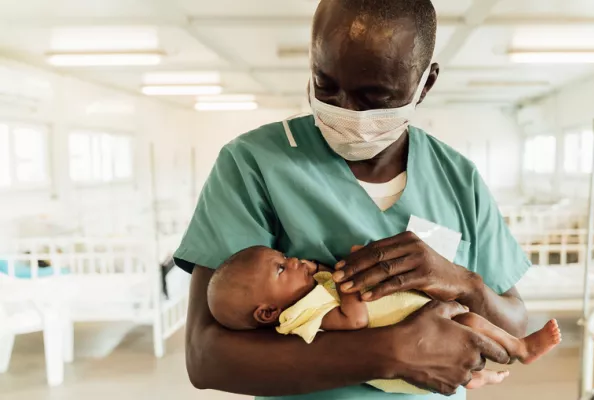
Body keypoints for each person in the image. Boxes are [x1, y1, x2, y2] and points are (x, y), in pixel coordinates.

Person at [174, 0, 534, 398]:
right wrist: (393, 352)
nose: (344, 111)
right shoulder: (253, 164)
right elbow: (206, 357)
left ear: (425, 84)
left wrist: (463, 283)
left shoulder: (457, 178)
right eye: (325, 85)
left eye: (374, 96)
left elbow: (514, 328)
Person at [205, 246, 561, 394]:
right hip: (402, 363)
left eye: (285, 256)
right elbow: (355, 320)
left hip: (424, 323)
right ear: (268, 312)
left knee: (467, 324)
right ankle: (514, 353)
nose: (295, 260)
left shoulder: (309, 292)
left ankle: (511, 351)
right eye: (282, 268)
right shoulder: (302, 315)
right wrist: (348, 279)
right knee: (465, 327)